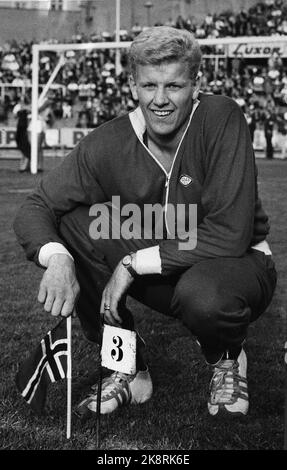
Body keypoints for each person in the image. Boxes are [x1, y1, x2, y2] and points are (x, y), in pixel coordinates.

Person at [14, 27, 277, 419]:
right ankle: (128, 367)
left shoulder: (221, 116)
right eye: (149, 85)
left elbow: (229, 233)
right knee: (73, 224)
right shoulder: (108, 142)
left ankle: (227, 357)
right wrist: (58, 258)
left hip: (235, 266)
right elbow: (38, 205)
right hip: (163, 259)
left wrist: (132, 263)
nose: (160, 100)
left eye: (174, 86)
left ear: (196, 84)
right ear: (133, 85)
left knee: (202, 296)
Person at [15, 108, 31, 172]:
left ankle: (23, 167)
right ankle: (24, 167)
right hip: (23, 137)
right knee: (27, 152)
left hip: (21, 136)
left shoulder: (21, 120)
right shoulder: (23, 120)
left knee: (26, 152)